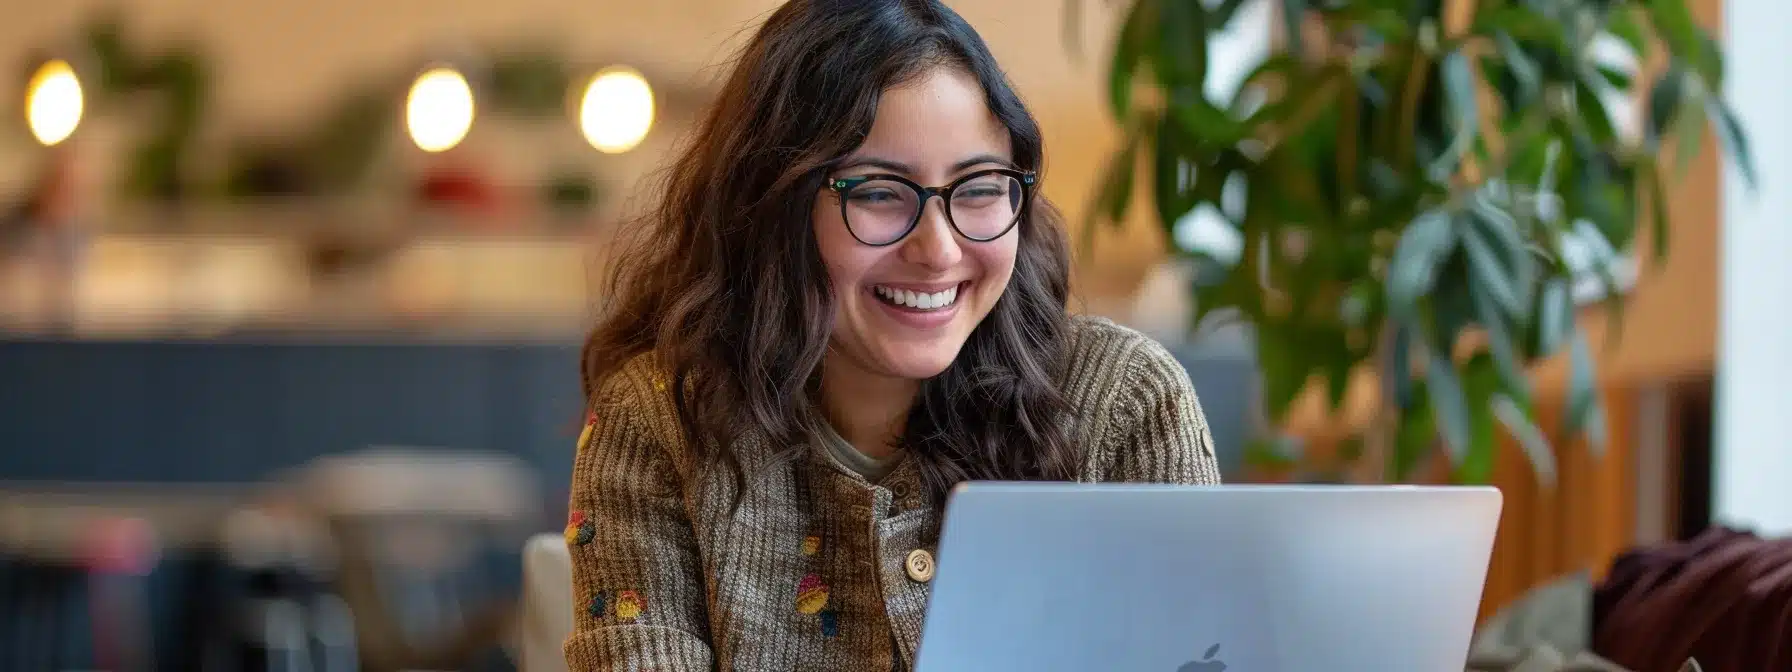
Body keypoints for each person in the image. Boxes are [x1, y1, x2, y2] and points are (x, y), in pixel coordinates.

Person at [565, 0, 1221, 668]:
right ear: (770, 208)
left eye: (977, 188)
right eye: (879, 193)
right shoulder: (659, 424)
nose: (938, 250)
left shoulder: (1124, 404)